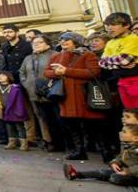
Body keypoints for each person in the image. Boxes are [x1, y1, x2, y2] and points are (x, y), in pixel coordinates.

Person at [45, 32, 107, 162]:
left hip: (83, 95)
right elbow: (46, 72)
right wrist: (58, 72)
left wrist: (66, 71)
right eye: (61, 41)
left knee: (95, 126)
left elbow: (93, 72)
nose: (63, 43)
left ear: (76, 42)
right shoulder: (57, 56)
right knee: (72, 126)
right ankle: (79, 151)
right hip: (66, 96)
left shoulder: (87, 54)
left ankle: (106, 152)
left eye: (67, 41)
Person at [64, 119, 138, 186]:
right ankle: (76, 174)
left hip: (134, 175)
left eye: (124, 132)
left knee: (115, 177)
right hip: (124, 171)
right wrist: (115, 162)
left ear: (135, 138)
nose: (121, 133)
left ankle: (109, 177)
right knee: (102, 172)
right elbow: (120, 156)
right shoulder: (127, 145)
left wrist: (128, 171)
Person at [19, 35, 62, 151]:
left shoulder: (55, 55)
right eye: (34, 43)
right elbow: (22, 73)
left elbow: (58, 73)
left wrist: (50, 85)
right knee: (42, 118)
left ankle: (61, 142)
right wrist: (27, 85)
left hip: (52, 92)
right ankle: (48, 141)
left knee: (57, 118)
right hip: (34, 93)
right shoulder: (28, 58)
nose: (36, 44)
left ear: (47, 43)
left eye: (40, 42)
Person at [99, 12, 138, 110]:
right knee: (130, 112)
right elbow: (101, 63)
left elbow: (124, 60)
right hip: (121, 81)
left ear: (126, 25)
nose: (109, 28)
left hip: (135, 80)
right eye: (107, 25)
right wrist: (118, 64)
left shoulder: (133, 39)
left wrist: (111, 61)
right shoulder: (110, 43)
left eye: (113, 24)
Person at [0, 71, 29, 150]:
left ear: (8, 77)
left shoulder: (15, 88)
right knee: (9, 126)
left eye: (3, 76)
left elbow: (20, 101)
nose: (0, 77)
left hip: (14, 109)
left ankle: (24, 143)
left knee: (19, 127)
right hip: (4, 110)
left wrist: (20, 111)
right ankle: (12, 142)